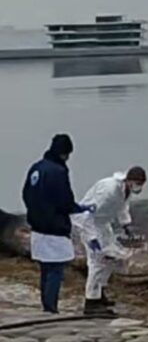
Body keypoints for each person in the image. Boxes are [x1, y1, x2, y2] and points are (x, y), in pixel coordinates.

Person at [22, 134, 95, 314]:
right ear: (64, 153)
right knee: (56, 270)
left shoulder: (36, 168)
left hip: (37, 227)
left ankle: (46, 305)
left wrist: (36, 211)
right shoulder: (58, 171)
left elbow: (26, 194)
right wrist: (81, 209)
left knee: (45, 269)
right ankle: (51, 308)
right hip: (54, 228)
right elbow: (65, 201)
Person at [72, 166, 147, 316]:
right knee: (97, 262)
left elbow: (122, 207)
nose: (138, 187)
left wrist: (126, 225)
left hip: (103, 225)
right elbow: (87, 214)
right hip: (89, 224)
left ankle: (100, 292)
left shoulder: (124, 191)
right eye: (137, 183)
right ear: (129, 180)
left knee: (113, 258)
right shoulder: (108, 191)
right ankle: (91, 303)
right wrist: (91, 238)